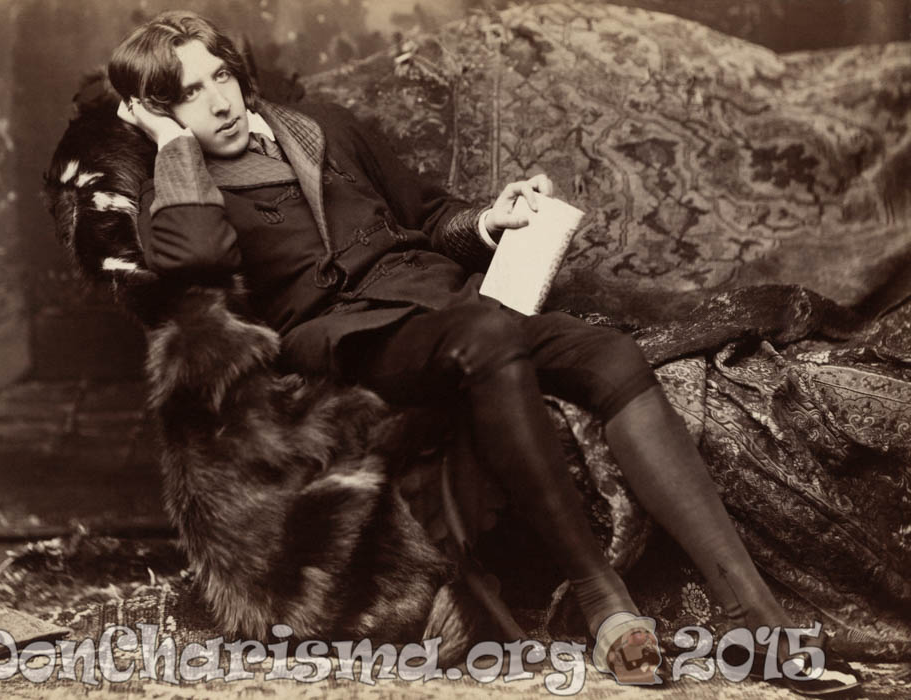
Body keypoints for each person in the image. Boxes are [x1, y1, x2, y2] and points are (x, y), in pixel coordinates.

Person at [107, 10, 858, 694]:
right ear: (157, 112)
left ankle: (755, 616)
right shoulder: (176, 189)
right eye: (189, 95)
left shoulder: (321, 126)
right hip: (345, 337)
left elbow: (426, 212)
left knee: (610, 355)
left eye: (221, 76)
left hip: (442, 299)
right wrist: (173, 147)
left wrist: (488, 222)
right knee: (489, 333)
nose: (219, 102)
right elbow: (197, 258)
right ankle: (603, 601)